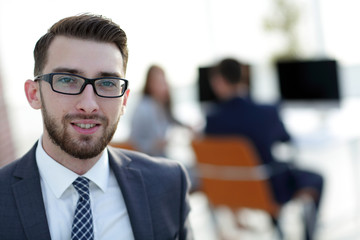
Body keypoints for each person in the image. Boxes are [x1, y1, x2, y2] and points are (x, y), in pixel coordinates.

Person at [0, 14, 193, 240]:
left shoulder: (168, 185)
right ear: (34, 94)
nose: (89, 105)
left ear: (125, 101)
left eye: (108, 83)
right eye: (67, 80)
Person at [204, 58, 323, 240]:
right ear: (243, 77)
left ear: (218, 82)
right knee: (316, 178)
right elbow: (286, 140)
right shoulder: (266, 112)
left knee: (266, 172)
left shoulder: (211, 121)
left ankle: (278, 228)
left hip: (231, 193)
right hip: (269, 190)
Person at [130, 65, 180, 157]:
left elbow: (172, 119)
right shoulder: (143, 108)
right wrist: (154, 145)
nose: (164, 86)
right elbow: (134, 141)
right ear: (150, 84)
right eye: (159, 82)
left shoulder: (160, 104)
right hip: (150, 160)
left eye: (164, 81)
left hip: (163, 157)